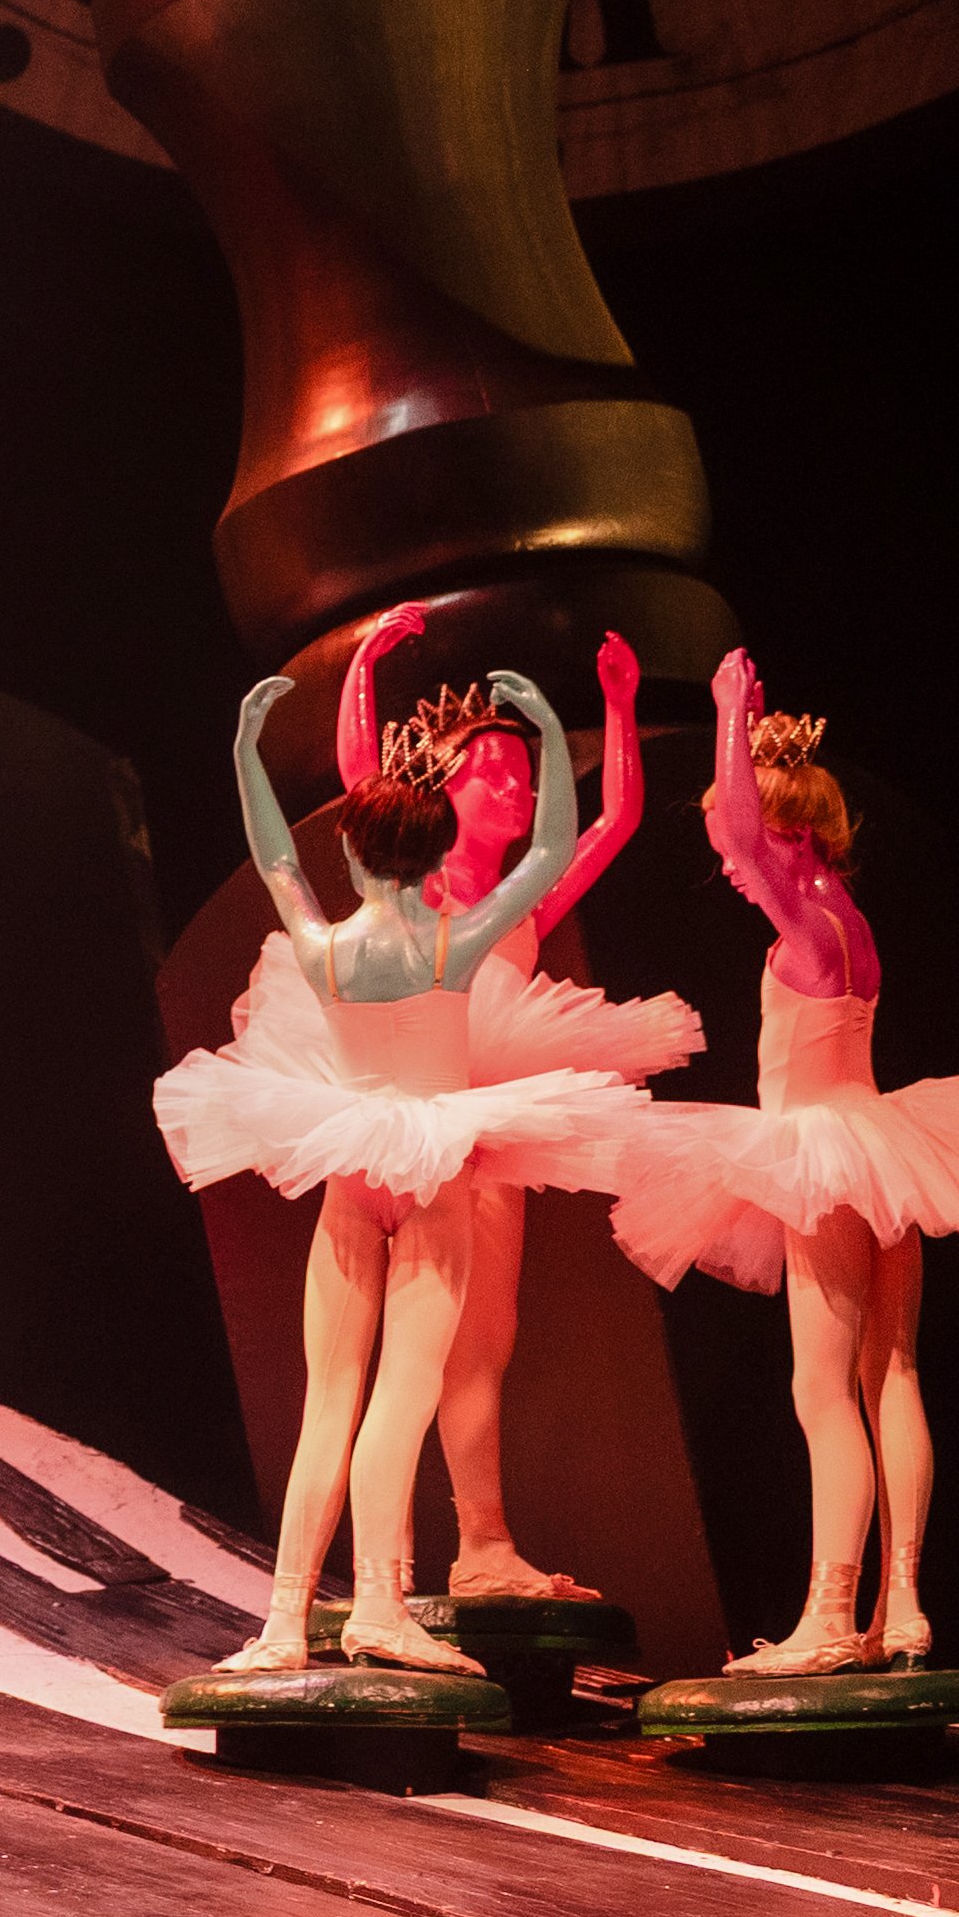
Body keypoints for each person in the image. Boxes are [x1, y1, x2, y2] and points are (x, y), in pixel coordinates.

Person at [150, 670, 690, 1674]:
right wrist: (541, 723)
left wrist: (245, 749)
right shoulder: (461, 938)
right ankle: (380, 1607)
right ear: (436, 848)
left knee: (329, 1401)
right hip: (435, 1175)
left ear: (350, 851)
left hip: (354, 1172)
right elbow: (550, 858)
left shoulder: (319, 944)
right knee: (401, 1392)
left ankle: (280, 1625)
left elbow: (274, 853)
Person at [609, 650, 959, 1673]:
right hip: (882, 1148)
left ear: (790, 833)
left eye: (742, 846)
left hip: (822, 1155)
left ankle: (829, 1616)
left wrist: (730, 715)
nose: (728, 861)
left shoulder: (805, 924)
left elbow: (736, 828)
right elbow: (739, 831)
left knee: (821, 1391)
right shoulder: (847, 922)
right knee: (891, 1372)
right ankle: (898, 1604)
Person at [329, 610, 647, 1608]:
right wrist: (362, 668)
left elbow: (611, 824)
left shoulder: (524, 903)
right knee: (381, 1354)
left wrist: (620, 710)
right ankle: (381, 1566)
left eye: (523, 773)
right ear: (443, 785)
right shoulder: (419, 894)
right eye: (492, 772)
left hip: (488, 1133)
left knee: (485, 1334)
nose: (512, 787)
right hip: (404, 1126)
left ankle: (482, 1542)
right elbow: (357, 783)